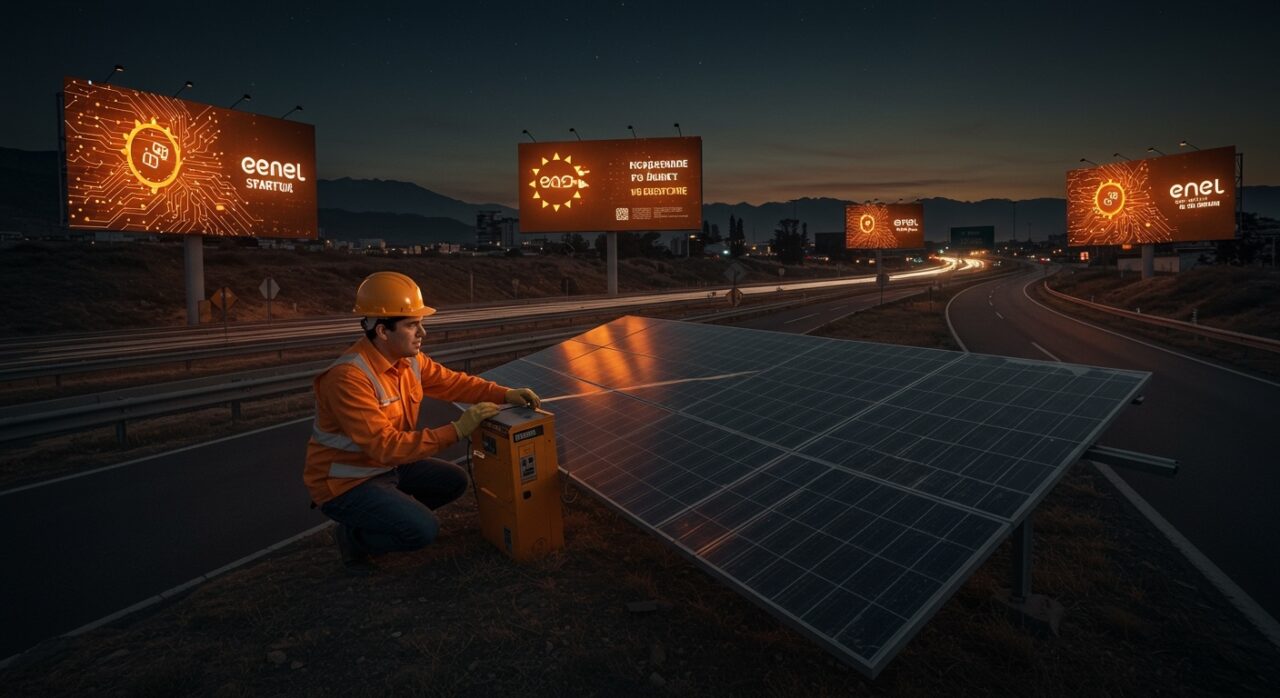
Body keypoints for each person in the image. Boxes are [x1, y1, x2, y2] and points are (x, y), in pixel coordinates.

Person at [304, 271, 540, 571]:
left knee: (454, 481)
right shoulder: (349, 378)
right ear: (382, 331)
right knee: (421, 531)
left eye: (421, 323)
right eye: (412, 325)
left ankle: (387, 516)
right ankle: (355, 538)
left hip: (387, 466)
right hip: (347, 483)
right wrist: (457, 430)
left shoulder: (409, 361)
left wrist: (504, 394)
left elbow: (454, 383)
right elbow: (385, 447)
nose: (422, 333)